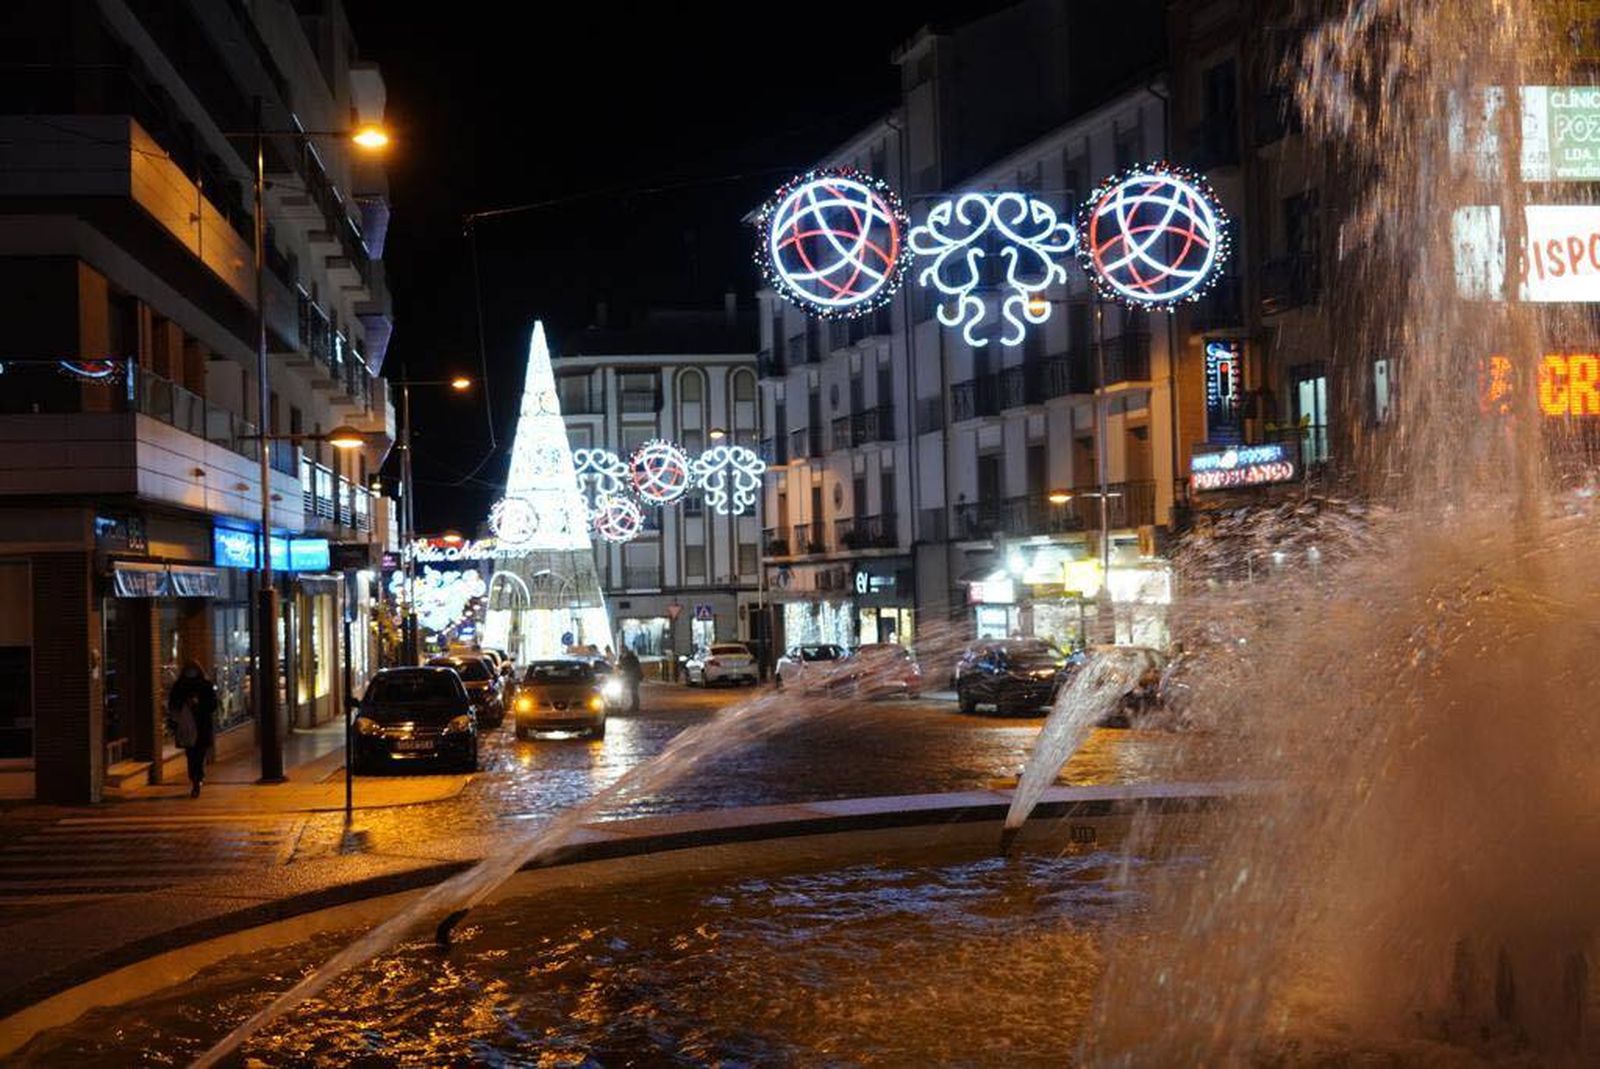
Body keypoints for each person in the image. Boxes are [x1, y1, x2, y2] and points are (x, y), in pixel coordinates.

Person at [167, 661, 218, 798]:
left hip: (200, 726)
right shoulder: (181, 686)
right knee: (192, 754)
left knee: (197, 754)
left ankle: (197, 778)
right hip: (189, 726)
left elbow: (212, 705)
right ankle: (196, 778)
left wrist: (198, 704)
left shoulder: (203, 685)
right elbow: (173, 705)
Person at [616, 647, 642, 713]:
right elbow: (621, 665)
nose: (621, 652)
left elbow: (632, 666)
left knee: (634, 691)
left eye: (622, 650)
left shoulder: (632, 657)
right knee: (625, 691)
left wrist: (622, 667)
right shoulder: (621, 657)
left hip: (634, 676)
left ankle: (635, 706)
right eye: (621, 651)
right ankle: (623, 705)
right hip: (626, 676)